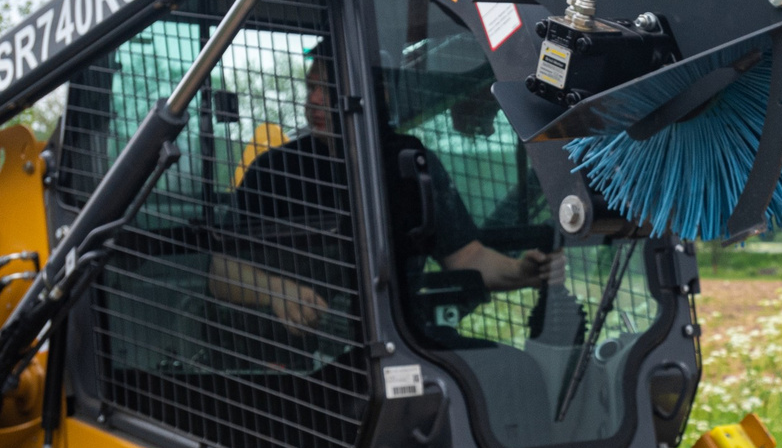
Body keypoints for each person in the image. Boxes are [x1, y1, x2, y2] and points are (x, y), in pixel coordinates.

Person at [211, 46, 553, 336]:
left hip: (401, 337)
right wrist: (276, 291)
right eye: (311, 87)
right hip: (297, 347)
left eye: (327, 89)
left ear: (375, 95)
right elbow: (220, 274)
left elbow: (466, 256)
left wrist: (520, 272)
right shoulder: (273, 170)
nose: (313, 100)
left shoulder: (408, 161)